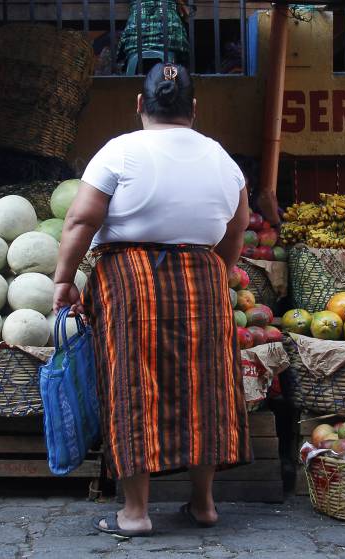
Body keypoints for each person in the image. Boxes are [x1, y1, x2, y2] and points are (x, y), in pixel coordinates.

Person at [53, 62, 251, 537]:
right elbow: (237, 227)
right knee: (207, 386)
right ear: (194, 109)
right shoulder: (223, 159)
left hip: (129, 278)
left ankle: (135, 513)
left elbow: (81, 221)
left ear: (140, 104)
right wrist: (216, 271)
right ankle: (203, 505)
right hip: (203, 277)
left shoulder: (119, 151)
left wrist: (63, 279)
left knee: (132, 382)